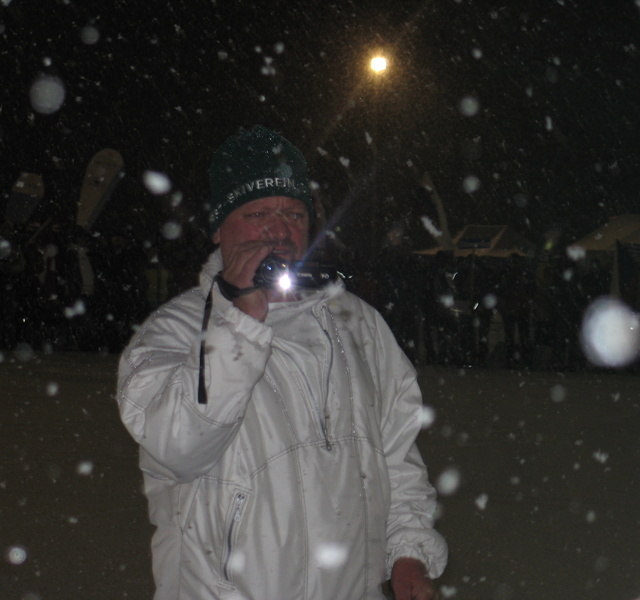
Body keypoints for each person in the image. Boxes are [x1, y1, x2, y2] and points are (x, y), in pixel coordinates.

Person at [117, 125, 447, 600]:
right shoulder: (173, 332)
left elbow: (397, 455)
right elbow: (178, 445)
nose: (278, 230)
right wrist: (238, 322)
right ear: (218, 227)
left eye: (293, 213)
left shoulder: (357, 323)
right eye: (257, 214)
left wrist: (408, 552)